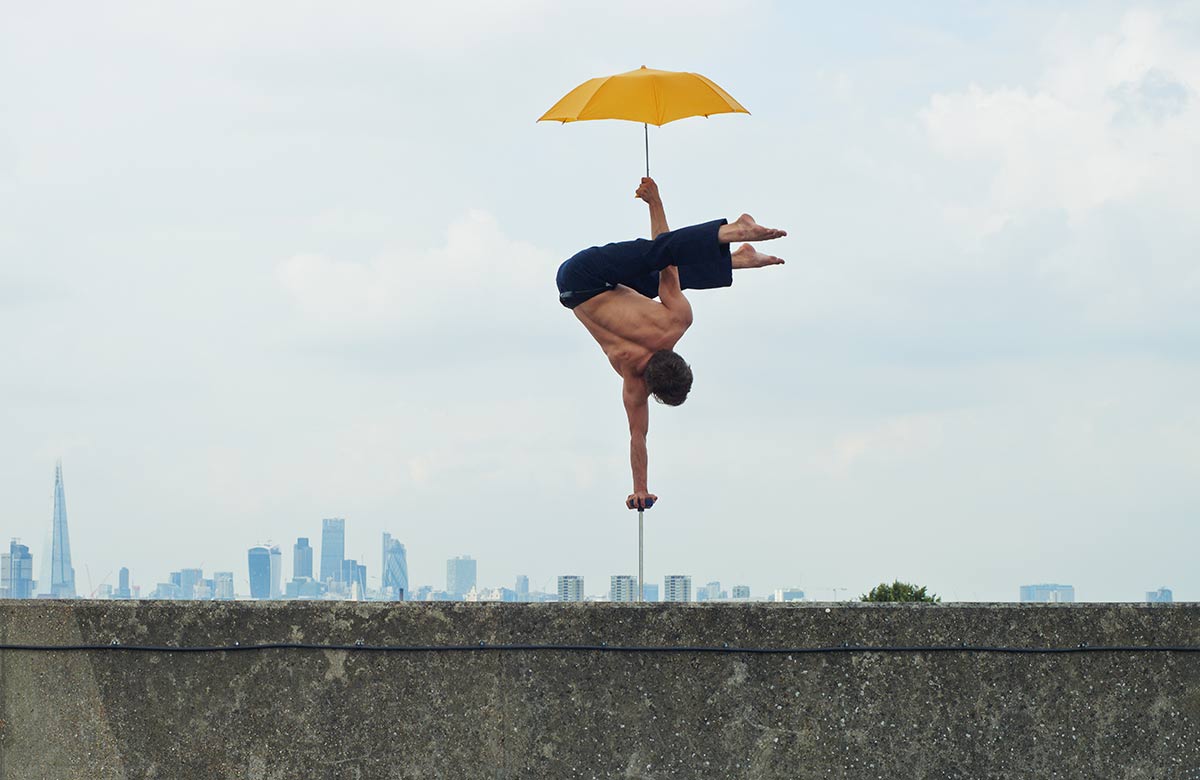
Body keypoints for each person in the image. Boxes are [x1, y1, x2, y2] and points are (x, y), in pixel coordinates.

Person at [556, 177, 786, 510]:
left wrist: (655, 202)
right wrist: (640, 490)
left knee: (662, 262)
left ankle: (735, 231)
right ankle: (738, 252)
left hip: (585, 273)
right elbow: (638, 436)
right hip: (572, 289)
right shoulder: (632, 378)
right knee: (661, 274)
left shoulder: (674, 323)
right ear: (652, 386)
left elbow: (665, 251)